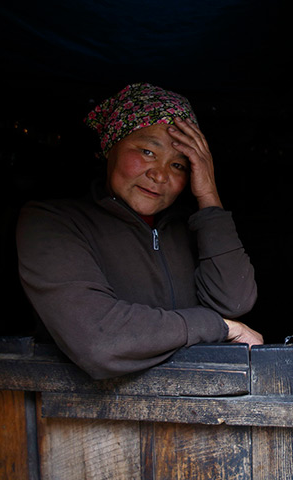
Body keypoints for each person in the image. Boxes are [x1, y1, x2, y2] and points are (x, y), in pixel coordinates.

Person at [16, 83, 263, 380]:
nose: (159, 175)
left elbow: (234, 301)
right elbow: (101, 340)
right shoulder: (52, 222)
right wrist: (220, 327)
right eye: (147, 151)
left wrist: (209, 196)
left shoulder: (189, 227)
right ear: (111, 147)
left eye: (179, 165)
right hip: (85, 420)